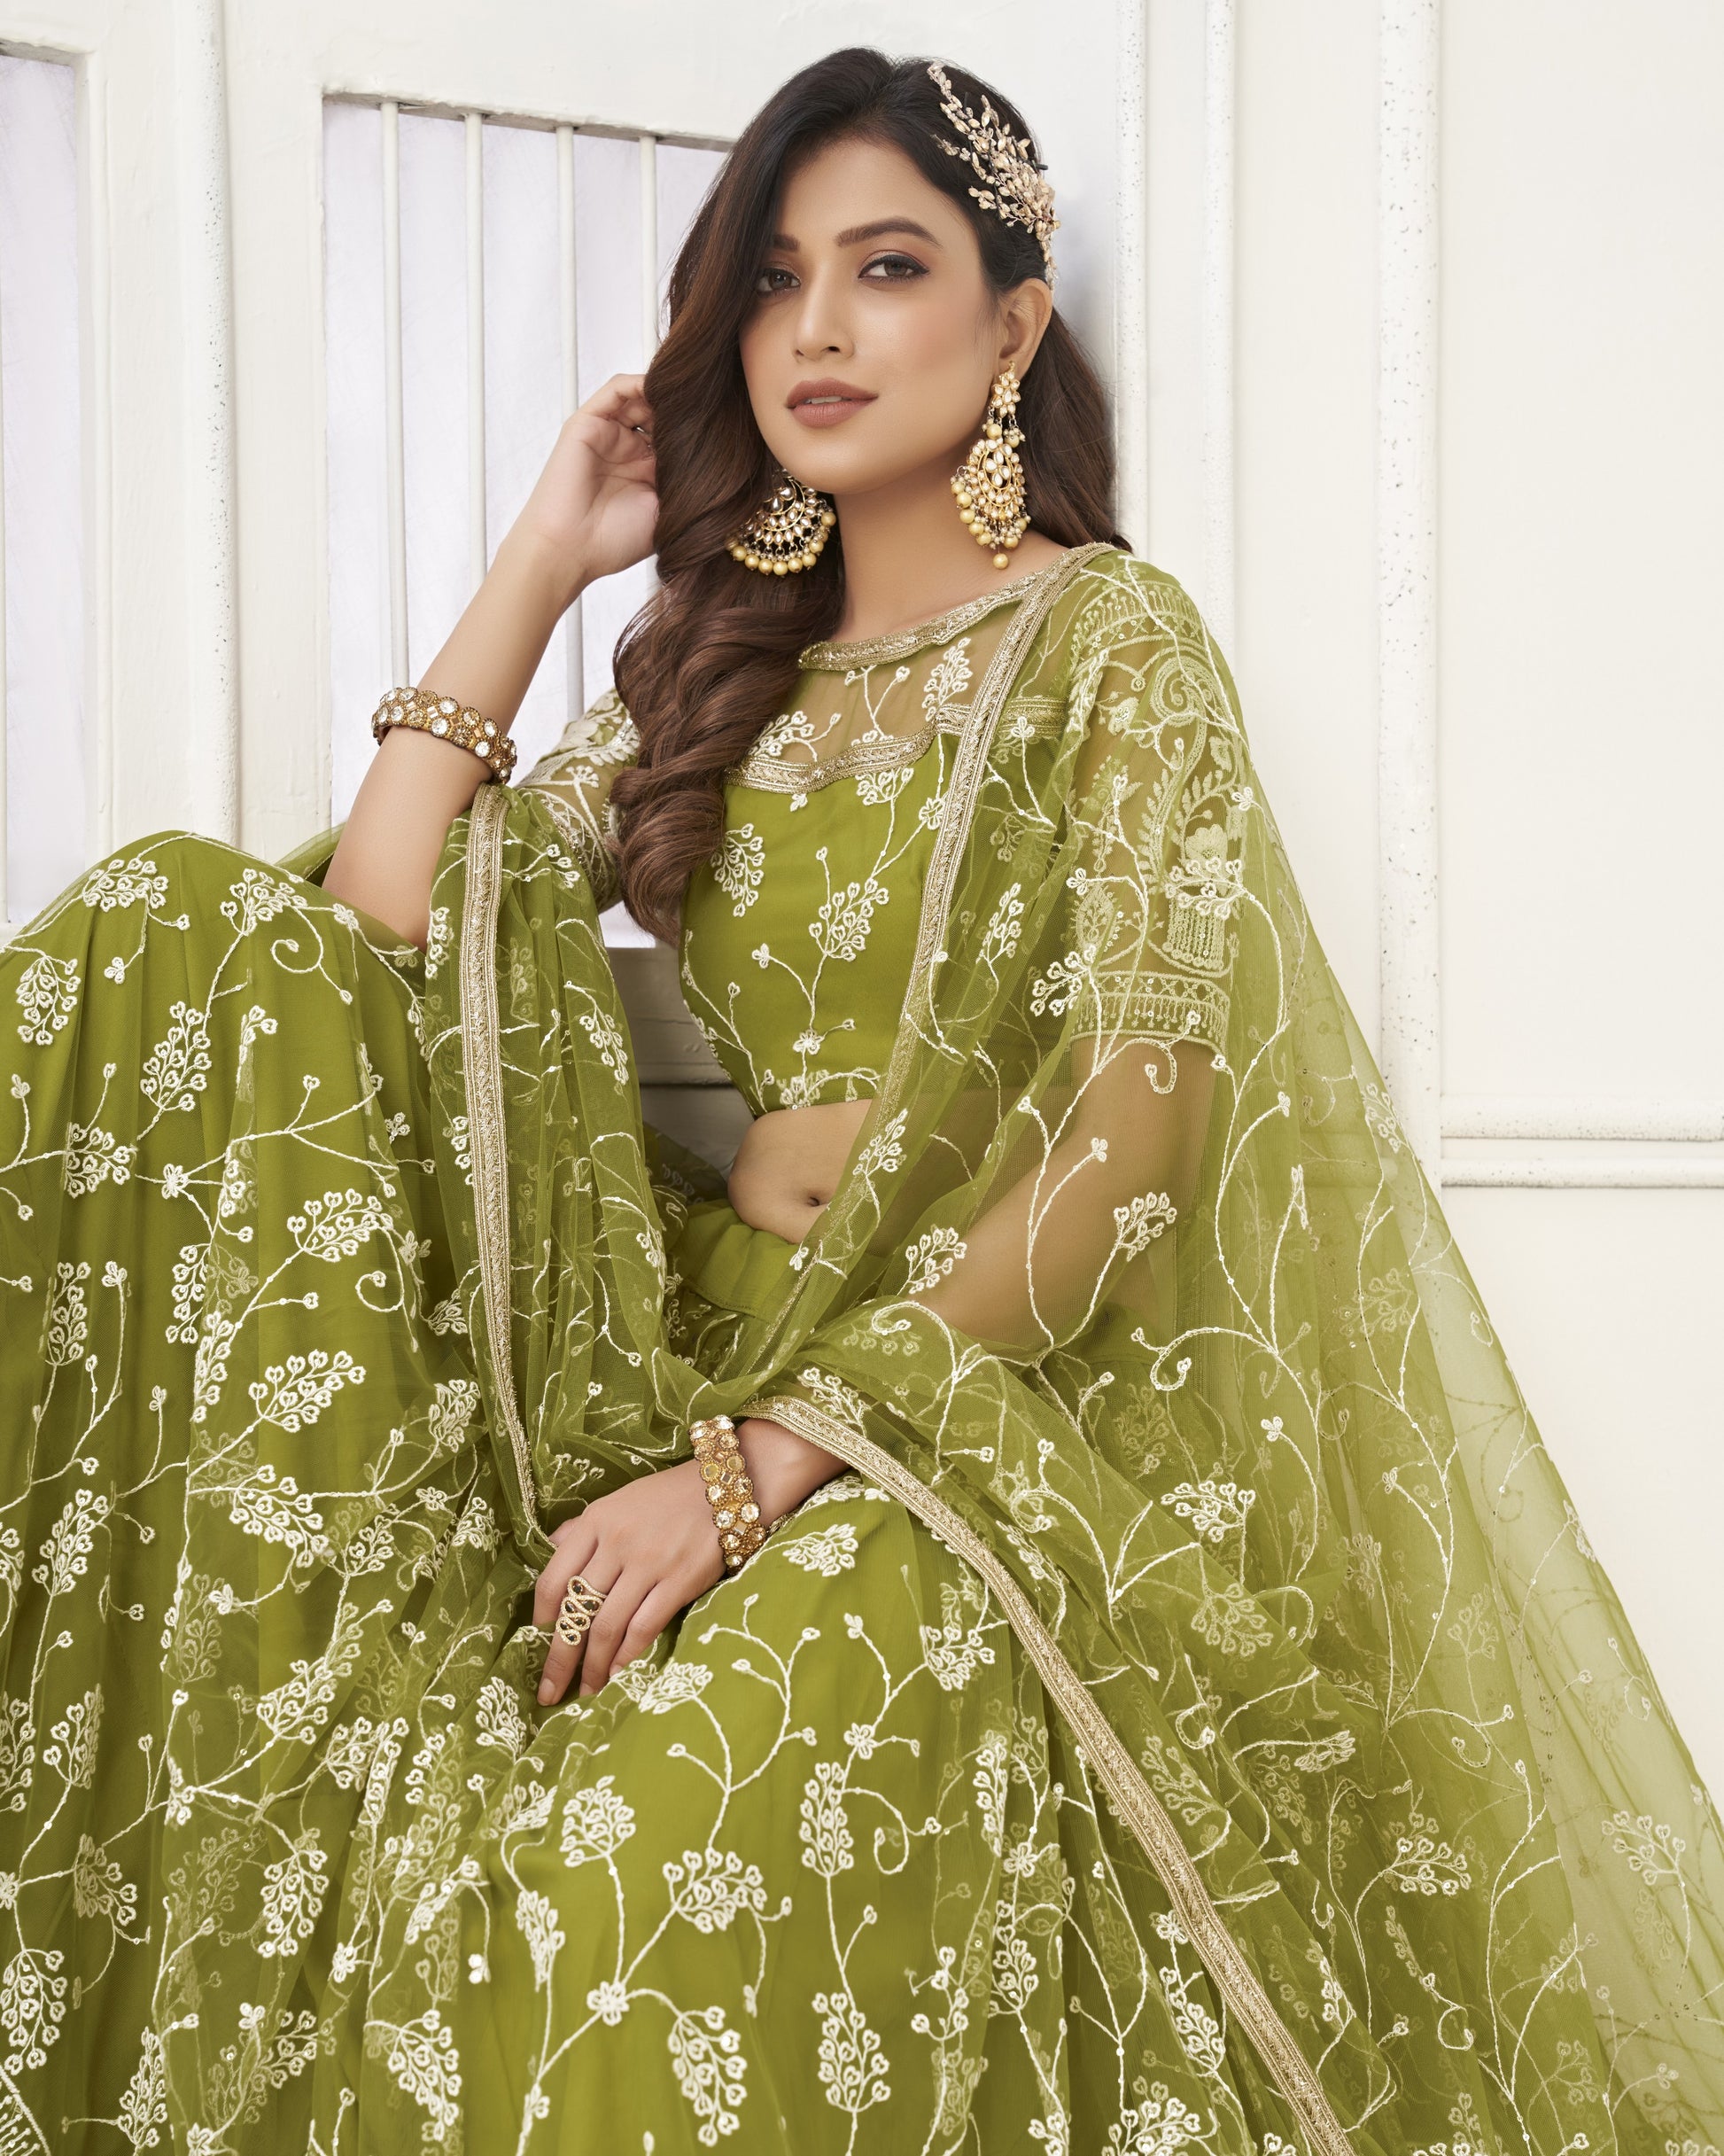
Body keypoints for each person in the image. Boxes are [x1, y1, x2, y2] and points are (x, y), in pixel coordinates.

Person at [0, 41, 1719, 2156]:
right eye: (773, 278)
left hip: (954, 1425)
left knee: (626, 1875)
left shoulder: (1106, 640)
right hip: (688, 1361)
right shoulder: (712, 691)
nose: (813, 326)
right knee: (183, 924)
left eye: (884, 267)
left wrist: (774, 1467)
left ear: (1009, 329)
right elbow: (368, 933)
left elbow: (1139, 1131)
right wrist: (551, 554)